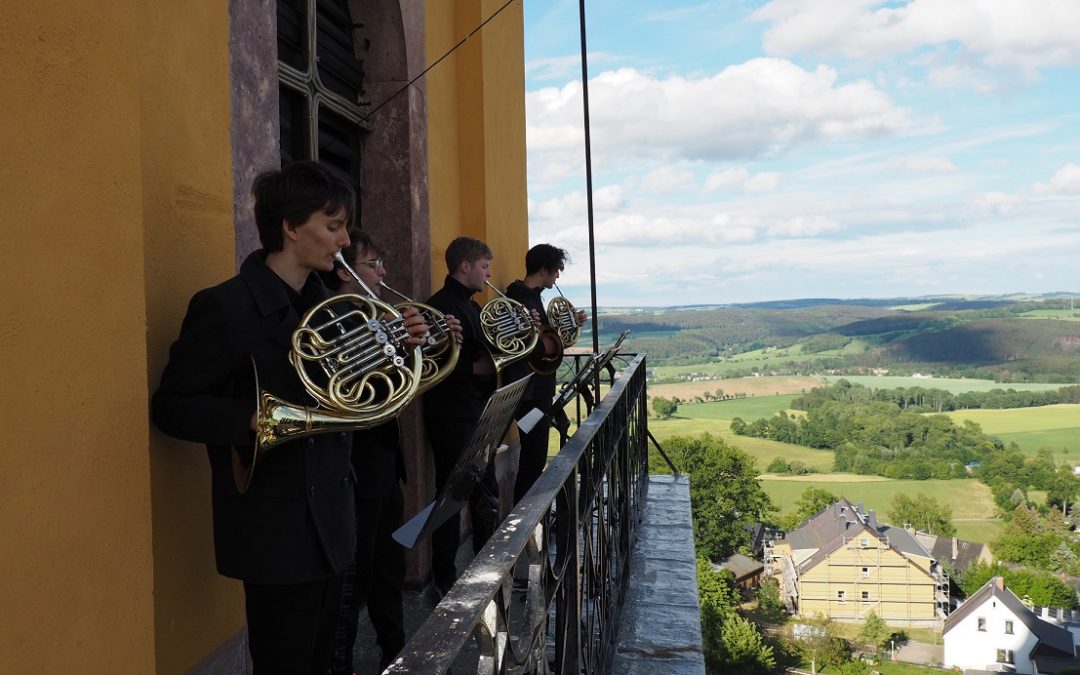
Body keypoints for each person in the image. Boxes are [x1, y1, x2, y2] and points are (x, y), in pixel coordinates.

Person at [150, 161, 426, 674]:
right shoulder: (225, 307)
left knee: (326, 659)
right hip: (274, 527)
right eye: (333, 225)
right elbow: (171, 407)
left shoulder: (339, 310)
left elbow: (358, 398)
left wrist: (400, 350)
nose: (343, 239)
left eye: (344, 225)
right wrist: (250, 419)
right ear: (291, 227)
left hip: (337, 519)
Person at [327, 231, 460, 673]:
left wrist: (435, 341)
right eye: (373, 263)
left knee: (388, 569)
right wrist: (403, 345)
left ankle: (395, 651)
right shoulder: (333, 320)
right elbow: (351, 395)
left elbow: (403, 386)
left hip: (387, 462)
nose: (383, 271)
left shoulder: (371, 316)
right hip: (357, 468)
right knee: (356, 581)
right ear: (346, 271)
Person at [422, 236, 502, 598]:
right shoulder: (439, 307)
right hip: (451, 415)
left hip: (473, 410)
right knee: (451, 498)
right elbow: (431, 367)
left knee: (484, 492)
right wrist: (477, 367)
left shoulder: (469, 306)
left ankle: (485, 566)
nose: (488, 275)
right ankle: (444, 578)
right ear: (465, 266)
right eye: (484, 267)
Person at [505, 244, 584, 502]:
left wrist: (571, 323)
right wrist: (548, 343)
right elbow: (527, 344)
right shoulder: (518, 298)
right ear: (544, 269)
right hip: (529, 394)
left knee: (535, 456)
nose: (558, 277)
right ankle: (520, 521)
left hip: (538, 392)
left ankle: (525, 518)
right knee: (533, 457)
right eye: (556, 271)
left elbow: (548, 335)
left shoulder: (533, 295)